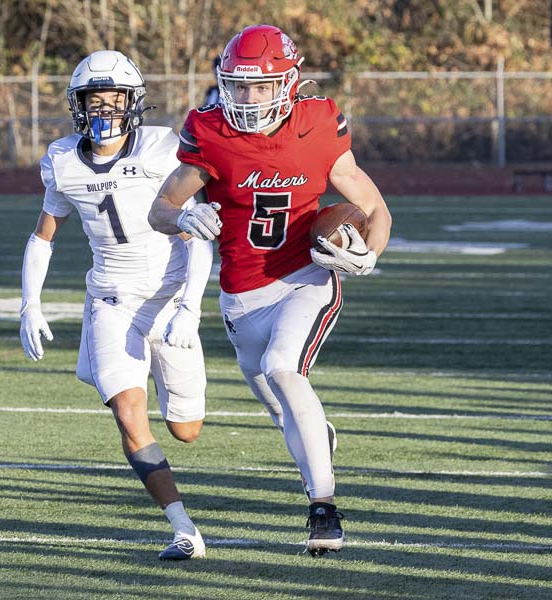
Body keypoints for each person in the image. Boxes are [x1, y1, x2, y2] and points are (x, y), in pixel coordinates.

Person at [149, 24, 392, 556]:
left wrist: (369, 253)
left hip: (304, 278)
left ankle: (324, 509)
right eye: (238, 86)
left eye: (261, 87)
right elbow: (160, 210)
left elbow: (375, 207)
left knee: (286, 368)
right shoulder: (211, 133)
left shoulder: (319, 124)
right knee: (283, 407)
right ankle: (317, 444)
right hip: (241, 295)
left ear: (289, 83)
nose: (248, 97)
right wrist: (187, 217)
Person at [19, 50, 213, 561]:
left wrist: (190, 304)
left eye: (114, 100)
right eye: (93, 101)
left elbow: (198, 233)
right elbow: (44, 235)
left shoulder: (161, 148)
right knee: (129, 415)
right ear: (76, 105)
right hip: (109, 299)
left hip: (168, 298)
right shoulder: (62, 160)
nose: (103, 111)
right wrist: (29, 304)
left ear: (134, 104)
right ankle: (183, 528)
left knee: (186, 430)